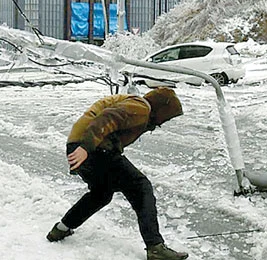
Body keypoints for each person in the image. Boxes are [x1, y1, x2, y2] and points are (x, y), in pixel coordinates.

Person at [47, 87, 189, 260]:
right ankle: (155, 248)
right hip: (93, 148)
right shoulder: (142, 107)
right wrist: (86, 147)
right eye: (166, 117)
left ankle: (61, 229)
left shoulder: (137, 105)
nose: (161, 123)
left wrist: (83, 147)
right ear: (161, 109)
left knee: (101, 193)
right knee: (141, 187)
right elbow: (108, 117)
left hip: (82, 146)